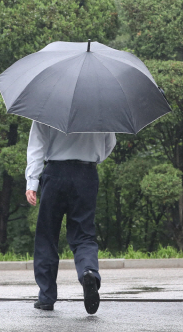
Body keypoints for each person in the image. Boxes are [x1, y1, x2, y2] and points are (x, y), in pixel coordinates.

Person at [25, 121, 116, 314]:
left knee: (47, 236)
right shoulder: (101, 108)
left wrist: (32, 181)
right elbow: (110, 144)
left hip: (55, 172)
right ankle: (88, 272)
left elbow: (37, 144)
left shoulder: (47, 104)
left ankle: (46, 296)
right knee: (84, 234)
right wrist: (92, 158)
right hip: (86, 174)